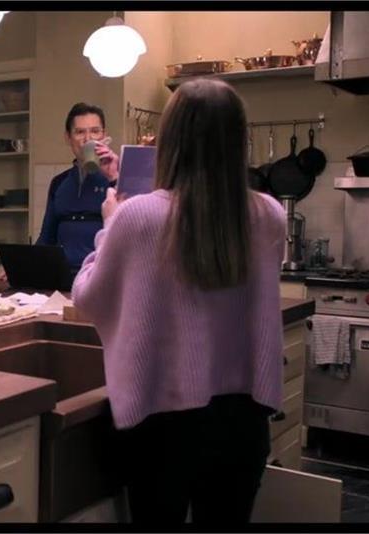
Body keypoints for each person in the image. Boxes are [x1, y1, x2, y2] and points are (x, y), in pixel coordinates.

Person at [71, 79, 286, 524]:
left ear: (169, 141)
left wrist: (109, 226)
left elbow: (89, 297)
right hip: (244, 421)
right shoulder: (270, 214)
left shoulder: (137, 216)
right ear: (238, 141)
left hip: (162, 424)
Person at [35, 102, 121, 270]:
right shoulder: (59, 183)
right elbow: (46, 237)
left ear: (104, 135)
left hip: (101, 275)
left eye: (95, 131)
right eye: (80, 132)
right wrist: (25, 263)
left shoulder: (119, 178)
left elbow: (133, 232)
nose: (88, 139)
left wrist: (113, 177)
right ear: (68, 137)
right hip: (62, 275)